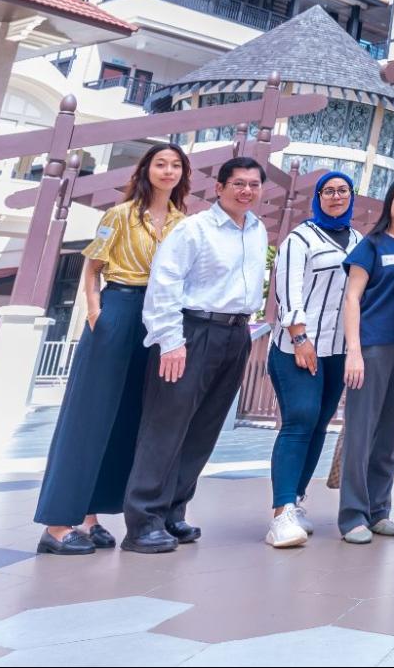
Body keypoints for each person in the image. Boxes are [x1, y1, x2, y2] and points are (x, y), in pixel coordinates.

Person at [33, 142, 188, 555]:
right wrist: (96, 311)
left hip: (159, 318)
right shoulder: (119, 215)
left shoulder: (181, 222)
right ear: (146, 169)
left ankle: (90, 517)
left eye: (175, 165)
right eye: (161, 163)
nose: (168, 171)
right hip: (119, 307)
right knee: (88, 415)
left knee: (127, 418)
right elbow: (93, 266)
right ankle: (57, 524)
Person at [122, 156, 269, 554]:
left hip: (236, 333)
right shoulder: (194, 230)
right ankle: (143, 521)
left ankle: (173, 512)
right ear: (219, 188)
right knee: (166, 426)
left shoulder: (257, 231)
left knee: (204, 429)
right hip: (192, 331)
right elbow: (165, 283)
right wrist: (171, 341)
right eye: (238, 183)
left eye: (254, 185)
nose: (246, 191)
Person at [263, 171, 361, 548]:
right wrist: (299, 336)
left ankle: (297, 498)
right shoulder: (300, 238)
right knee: (299, 420)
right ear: (317, 197)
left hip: (337, 349)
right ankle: (280, 512)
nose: (336, 197)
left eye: (343, 191)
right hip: (298, 348)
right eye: (328, 191)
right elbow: (288, 290)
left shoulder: (358, 240)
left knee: (319, 424)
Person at [337, 173, 394, 544]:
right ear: (390, 201)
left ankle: (378, 511)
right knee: (361, 432)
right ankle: (352, 516)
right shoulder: (371, 245)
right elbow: (351, 299)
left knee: (389, 433)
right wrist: (354, 351)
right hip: (373, 348)